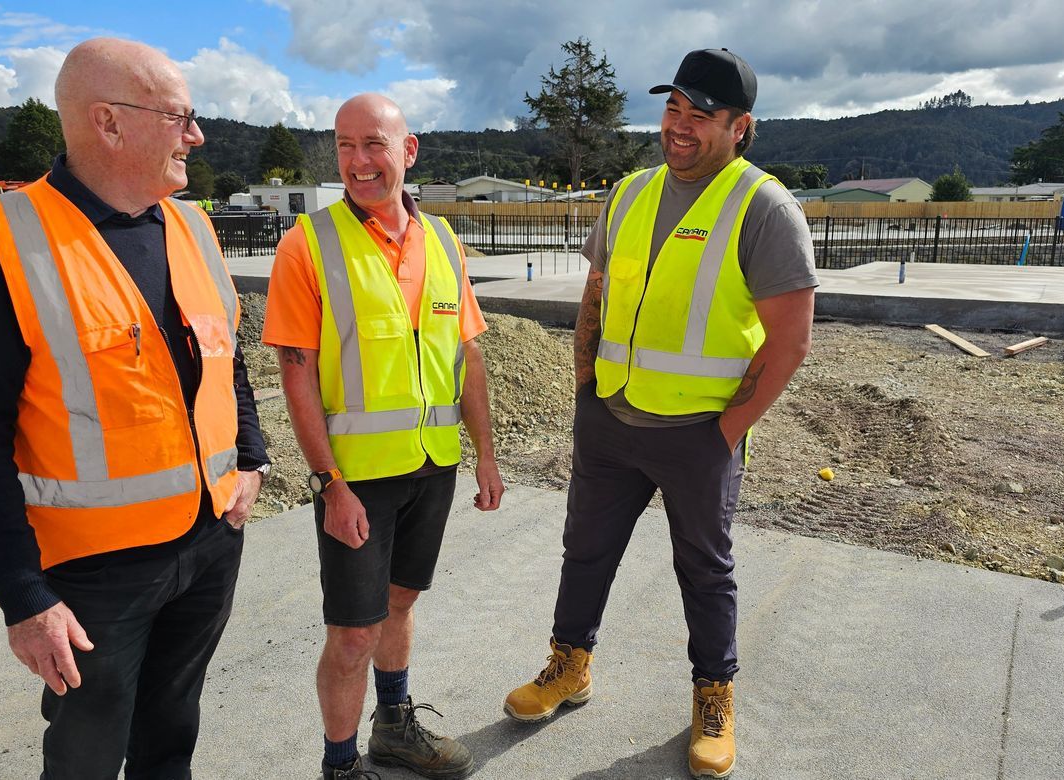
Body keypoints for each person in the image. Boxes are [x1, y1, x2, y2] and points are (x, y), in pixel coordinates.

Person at [0, 38, 269, 779]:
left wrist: (251, 458)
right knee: (85, 757)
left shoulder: (192, 226)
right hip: (91, 574)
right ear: (108, 122)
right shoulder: (5, 238)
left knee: (171, 737)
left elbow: (228, 359)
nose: (197, 135)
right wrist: (22, 597)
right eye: (180, 117)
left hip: (209, 542)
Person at [503, 48, 818, 779]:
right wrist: (585, 385)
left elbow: (792, 340)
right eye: (673, 107)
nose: (679, 124)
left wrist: (725, 434)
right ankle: (569, 664)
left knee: (705, 571)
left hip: (698, 434)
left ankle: (714, 697)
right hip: (610, 419)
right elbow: (597, 290)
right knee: (585, 551)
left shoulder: (763, 207)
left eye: (700, 114)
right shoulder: (630, 192)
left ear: (740, 127)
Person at [263, 93, 504, 780]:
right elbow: (296, 373)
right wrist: (329, 484)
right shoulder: (309, 243)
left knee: (400, 602)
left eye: (373, 144)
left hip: (432, 465)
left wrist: (485, 455)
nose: (358, 161)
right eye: (345, 145)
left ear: (409, 151)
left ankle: (394, 727)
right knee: (352, 634)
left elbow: (468, 356)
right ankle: (340, 767)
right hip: (356, 479)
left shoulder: (444, 241)